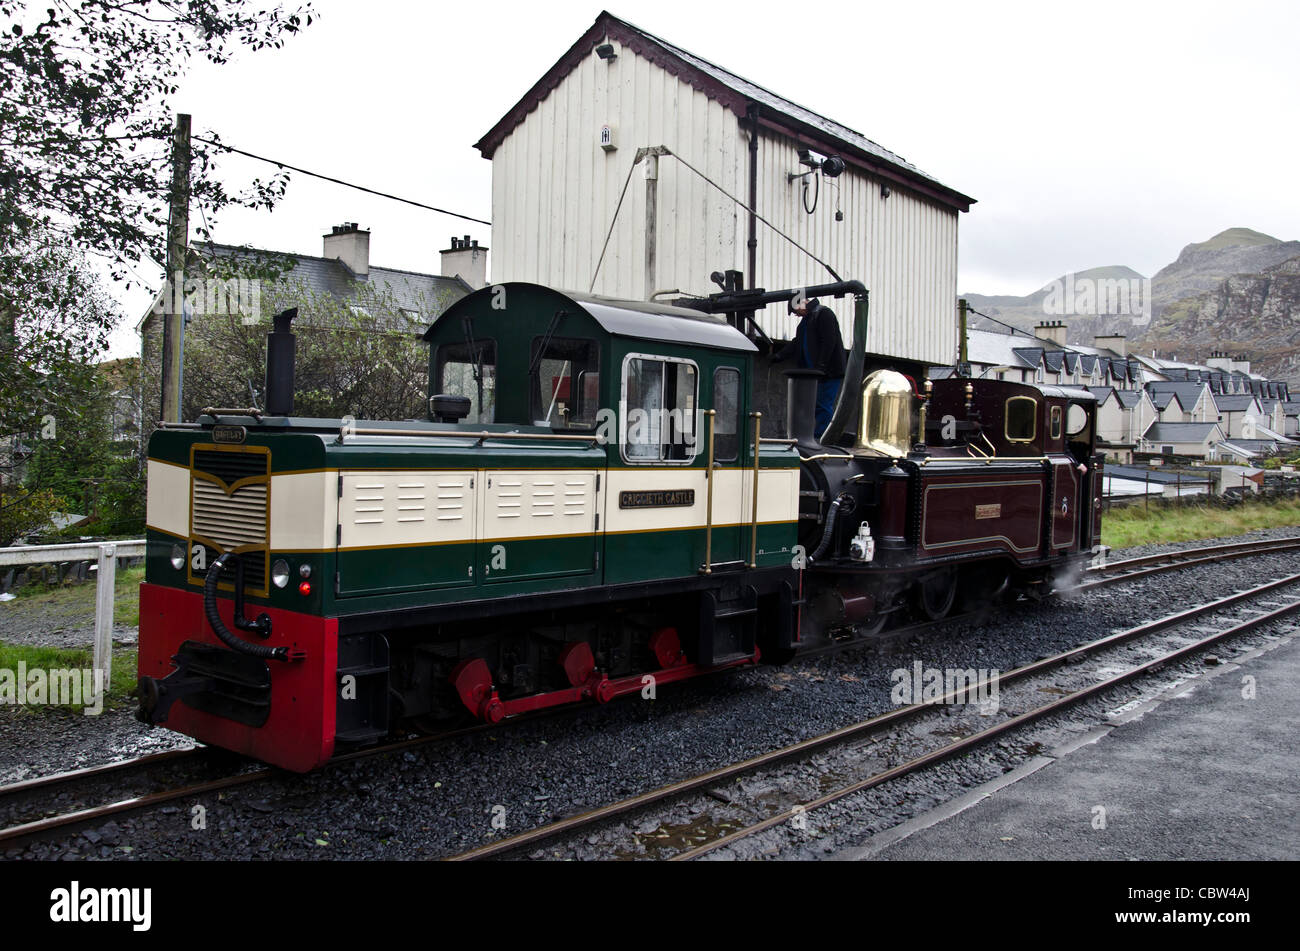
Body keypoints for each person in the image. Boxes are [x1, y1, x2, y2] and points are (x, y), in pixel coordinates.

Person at [772, 295, 846, 433]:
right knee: (810, 406)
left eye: (795, 311)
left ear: (801, 304)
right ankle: (809, 435)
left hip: (828, 373)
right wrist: (778, 356)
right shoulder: (805, 323)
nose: (796, 315)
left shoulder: (824, 314)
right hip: (812, 374)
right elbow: (797, 343)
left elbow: (829, 341)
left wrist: (821, 367)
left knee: (822, 405)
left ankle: (820, 437)